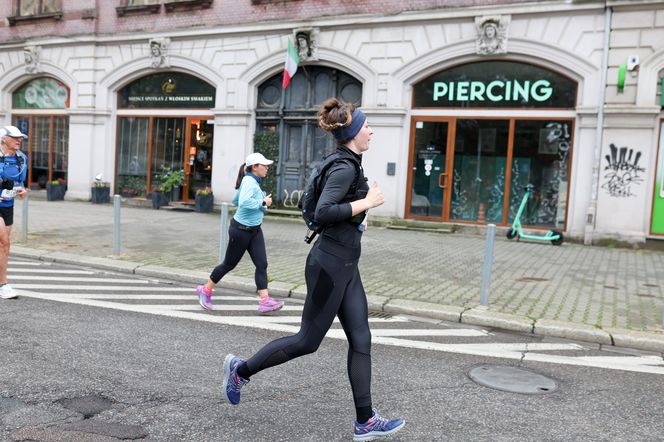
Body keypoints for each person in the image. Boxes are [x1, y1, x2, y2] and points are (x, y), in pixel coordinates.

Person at [221, 98, 405, 441]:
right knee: (307, 341)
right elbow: (322, 212)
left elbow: (337, 211)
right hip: (329, 267)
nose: (371, 130)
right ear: (353, 133)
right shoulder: (344, 167)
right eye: (366, 125)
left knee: (362, 338)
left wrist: (359, 218)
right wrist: (367, 202)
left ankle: (365, 420)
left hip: (346, 265)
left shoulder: (348, 161)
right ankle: (240, 370)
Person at [196, 152, 284, 314]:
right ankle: (206, 290)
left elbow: (236, 200)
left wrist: (259, 205)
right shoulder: (250, 181)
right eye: (264, 165)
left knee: (261, 264)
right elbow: (243, 202)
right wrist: (263, 202)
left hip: (255, 230)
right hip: (241, 231)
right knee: (229, 264)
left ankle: (265, 301)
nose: (267, 168)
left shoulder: (250, 181)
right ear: (254, 167)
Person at [0, 126, 29, 300]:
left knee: (3, 246)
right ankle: (3, 285)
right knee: (4, 241)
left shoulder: (21, 158)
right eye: (15, 138)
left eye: (20, 138)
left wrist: (22, 191)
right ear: (4, 139)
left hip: (8, 205)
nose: (19, 140)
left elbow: (19, 182)